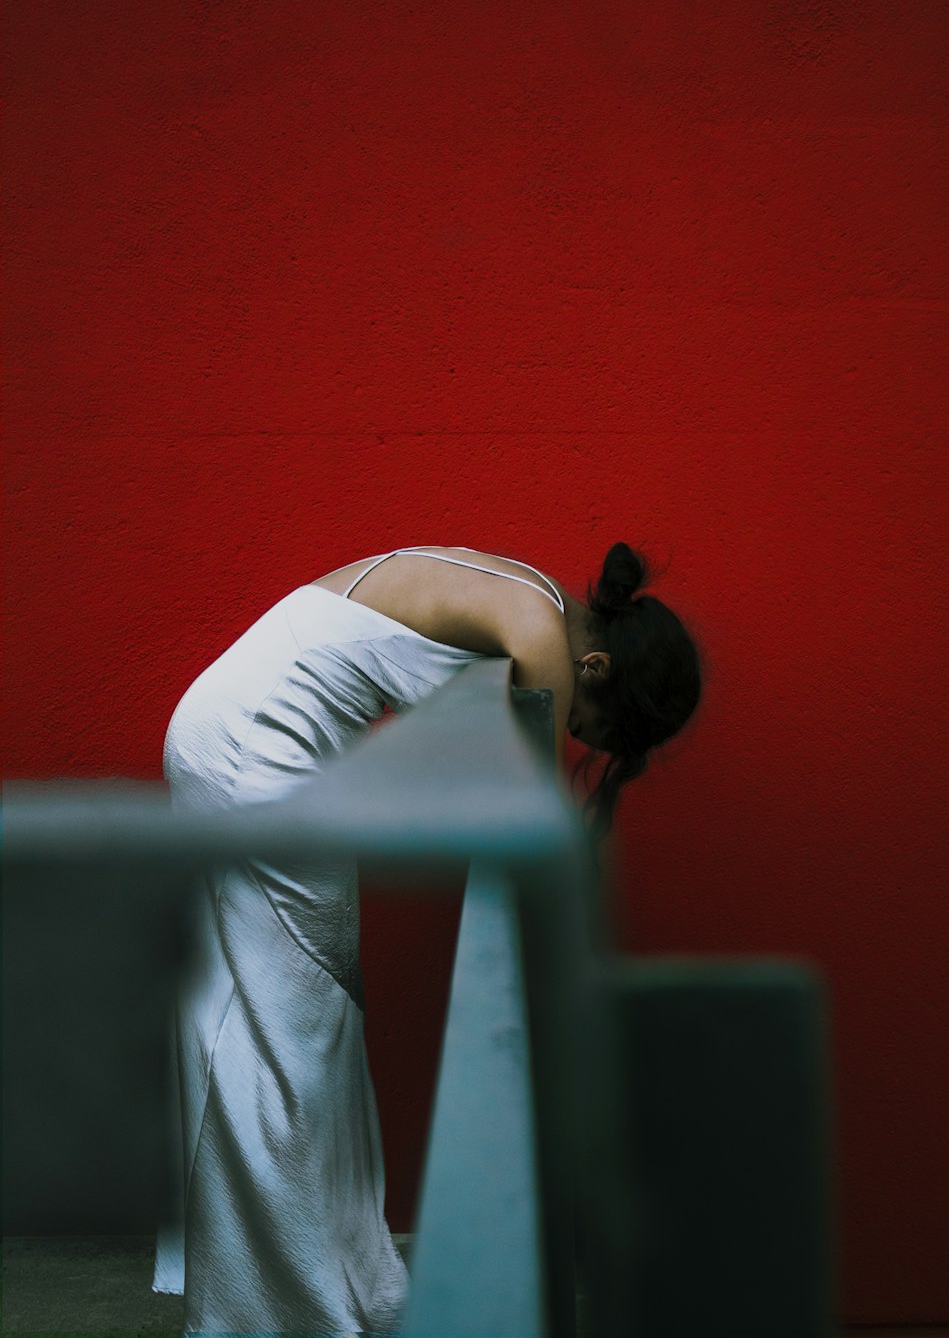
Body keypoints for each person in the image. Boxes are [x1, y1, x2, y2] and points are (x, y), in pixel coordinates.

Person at [152, 541, 700, 1336]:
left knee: (304, 1019)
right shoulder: (542, 637)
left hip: (255, 737)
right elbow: (530, 828)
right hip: (259, 749)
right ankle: (288, 1309)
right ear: (598, 671)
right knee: (293, 1029)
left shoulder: (538, 597)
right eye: (593, 729)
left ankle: (341, 1285)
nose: (580, 738)